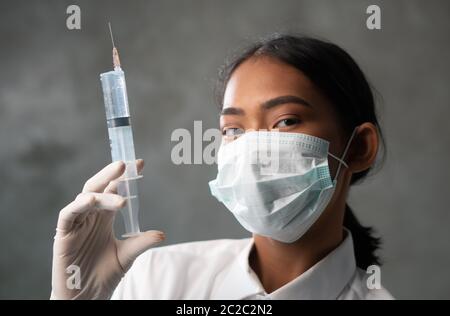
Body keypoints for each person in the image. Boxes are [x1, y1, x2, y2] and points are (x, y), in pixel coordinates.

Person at [51, 35, 393, 299]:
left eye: (286, 121)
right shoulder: (158, 280)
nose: (253, 149)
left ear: (360, 147)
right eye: (233, 130)